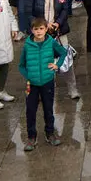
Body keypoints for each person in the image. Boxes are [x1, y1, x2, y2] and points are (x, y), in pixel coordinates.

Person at [24, 0, 79, 100]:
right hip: (41, 32)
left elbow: (65, 8)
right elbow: (28, 13)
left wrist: (58, 23)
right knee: (44, 61)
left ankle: (72, 88)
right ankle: (48, 89)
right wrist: (42, 26)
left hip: (59, 31)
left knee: (66, 59)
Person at [19, 18, 66, 150]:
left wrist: (57, 65)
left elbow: (63, 53)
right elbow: (21, 65)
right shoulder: (27, 45)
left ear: (46, 29)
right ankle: (31, 137)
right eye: (36, 29)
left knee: (48, 108)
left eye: (41, 29)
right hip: (32, 84)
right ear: (31, 30)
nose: (39, 31)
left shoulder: (51, 42)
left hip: (47, 81)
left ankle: (50, 133)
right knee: (30, 110)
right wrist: (29, 76)